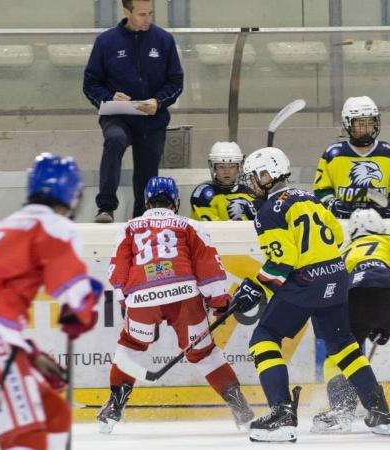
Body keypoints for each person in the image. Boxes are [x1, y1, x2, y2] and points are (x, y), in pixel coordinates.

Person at [0, 153, 101, 450]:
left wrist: (29, 352)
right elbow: (76, 296)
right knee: (27, 436)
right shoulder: (54, 226)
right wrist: (83, 309)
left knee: (54, 413)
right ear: (73, 195)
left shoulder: (8, 225)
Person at [231, 147, 390, 443]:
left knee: (264, 337)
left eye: (254, 177)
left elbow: (283, 260)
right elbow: (335, 233)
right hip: (336, 274)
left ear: (268, 176)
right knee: (343, 345)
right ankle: (379, 411)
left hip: (305, 280)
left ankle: (281, 414)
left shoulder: (268, 212)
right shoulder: (311, 198)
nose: (251, 183)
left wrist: (255, 285)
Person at [97, 175, 254, 433]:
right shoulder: (188, 225)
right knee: (204, 353)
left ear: (147, 201)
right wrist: (219, 302)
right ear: (176, 201)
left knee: (131, 345)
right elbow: (208, 267)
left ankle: (113, 408)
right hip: (184, 295)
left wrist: (127, 301)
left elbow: (117, 272)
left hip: (142, 295)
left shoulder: (130, 227)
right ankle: (242, 411)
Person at [310, 208, 390, 434]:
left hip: (350, 299)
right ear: (380, 227)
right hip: (386, 293)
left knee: (338, 355)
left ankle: (341, 410)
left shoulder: (343, 249)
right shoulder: (388, 240)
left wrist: (371, 322)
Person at [83, 0, 184, 223]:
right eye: (141, 14)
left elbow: (176, 82)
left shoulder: (164, 40)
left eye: (150, 13)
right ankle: (106, 207)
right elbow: (91, 84)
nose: (148, 19)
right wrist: (109, 98)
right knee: (115, 140)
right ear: (126, 12)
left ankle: (141, 218)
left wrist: (158, 102)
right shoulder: (106, 41)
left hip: (152, 119)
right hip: (118, 116)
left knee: (146, 174)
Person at [313, 96, 390, 219]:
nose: (366, 129)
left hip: (381, 224)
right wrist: (332, 204)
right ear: (348, 124)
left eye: (370, 123)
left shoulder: (388, 153)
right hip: (343, 226)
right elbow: (321, 190)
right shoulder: (333, 154)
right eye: (361, 124)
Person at [190, 142, 259, 221]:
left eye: (232, 166)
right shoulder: (203, 194)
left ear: (238, 168)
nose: (227, 172)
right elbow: (210, 228)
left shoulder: (248, 193)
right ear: (214, 168)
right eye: (221, 167)